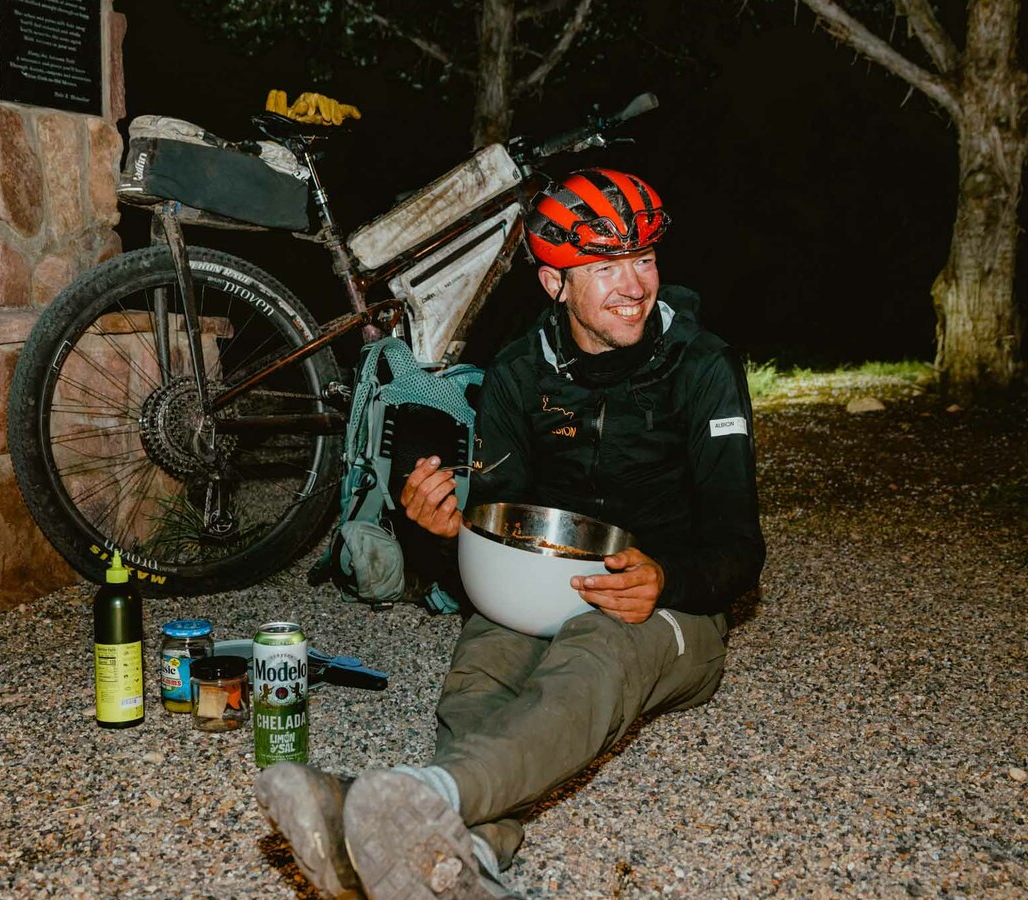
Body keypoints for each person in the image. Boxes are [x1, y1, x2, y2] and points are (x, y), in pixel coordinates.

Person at [255, 168, 765, 900]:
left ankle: (410, 795)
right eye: (605, 267)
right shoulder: (520, 374)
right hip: (541, 584)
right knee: (478, 677)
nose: (635, 285)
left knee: (591, 656)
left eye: (645, 259)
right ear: (554, 282)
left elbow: (738, 546)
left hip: (671, 604)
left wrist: (668, 579)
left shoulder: (703, 365)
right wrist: (439, 533)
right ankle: (464, 864)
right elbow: (496, 536)